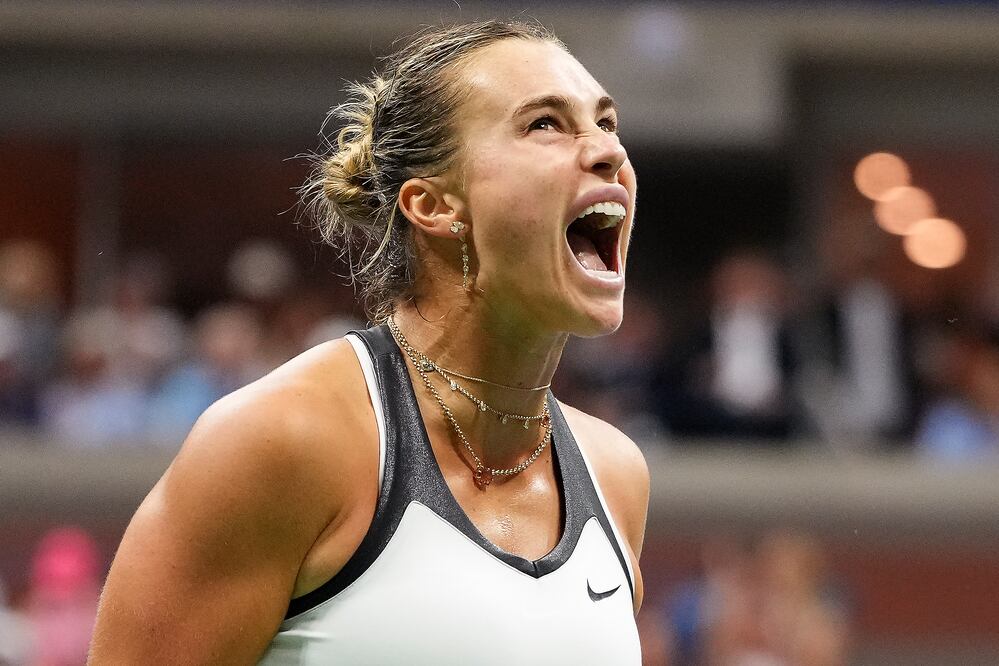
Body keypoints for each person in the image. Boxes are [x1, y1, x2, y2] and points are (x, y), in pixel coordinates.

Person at [89, 19, 649, 664]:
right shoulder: (285, 440)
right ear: (434, 206)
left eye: (606, 122)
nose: (607, 150)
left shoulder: (616, 475)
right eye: (544, 124)